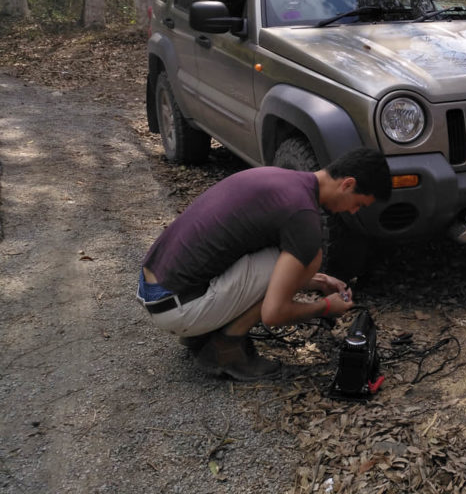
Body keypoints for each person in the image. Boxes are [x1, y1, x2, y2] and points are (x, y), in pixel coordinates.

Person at [136, 148, 391, 381]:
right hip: (178, 308)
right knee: (308, 257)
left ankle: (204, 332)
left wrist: (319, 281)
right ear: (348, 184)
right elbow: (273, 314)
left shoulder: (280, 178)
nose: (353, 211)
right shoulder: (303, 216)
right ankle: (225, 349)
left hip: (158, 288)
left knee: (289, 260)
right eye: (358, 204)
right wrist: (324, 307)